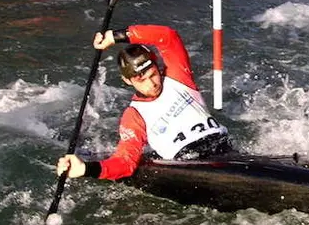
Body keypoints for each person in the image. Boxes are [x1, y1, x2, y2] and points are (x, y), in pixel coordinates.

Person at [56, 25, 232, 181]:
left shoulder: (178, 77)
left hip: (225, 149)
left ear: (157, 65)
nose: (152, 83)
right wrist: (87, 169)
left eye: (153, 74)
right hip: (191, 166)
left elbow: (168, 37)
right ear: (127, 80)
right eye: (142, 80)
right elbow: (126, 161)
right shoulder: (134, 115)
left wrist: (116, 36)